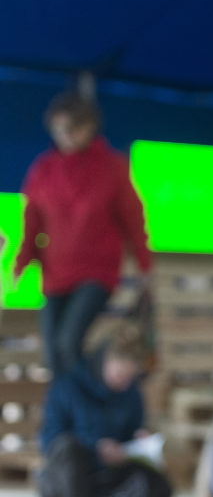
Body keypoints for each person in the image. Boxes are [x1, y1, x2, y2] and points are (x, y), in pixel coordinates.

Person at [14, 92, 152, 377]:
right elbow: (32, 220)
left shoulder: (112, 167)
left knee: (69, 342)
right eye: (58, 129)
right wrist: (22, 260)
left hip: (95, 271)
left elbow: (133, 218)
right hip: (55, 273)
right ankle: (67, 415)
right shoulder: (44, 169)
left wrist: (144, 264)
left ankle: (78, 414)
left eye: (71, 128)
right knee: (52, 352)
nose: (65, 135)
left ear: (89, 126)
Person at [36, 322, 170, 497]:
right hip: (70, 477)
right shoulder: (67, 386)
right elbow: (50, 442)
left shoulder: (131, 394)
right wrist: (95, 449)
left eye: (130, 377)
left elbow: (131, 435)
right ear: (104, 361)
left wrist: (136, 443)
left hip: (110, 473)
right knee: (70, 451)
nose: (124, 382)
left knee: (158, 482)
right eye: (120, 375)